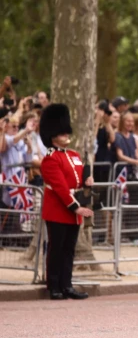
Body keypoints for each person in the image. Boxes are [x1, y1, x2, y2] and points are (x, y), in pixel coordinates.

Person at [39, 104, 93, 300]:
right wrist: (76, 207)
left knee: (69, 250)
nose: (65, 136)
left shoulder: (74, 155)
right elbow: (60, 187)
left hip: (74, 209)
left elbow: (78, 180)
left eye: (65, 133)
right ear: (52, 136)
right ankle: (54, 286)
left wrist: (88, 181)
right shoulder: (50, 159)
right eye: (61, 134)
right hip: (59, 210)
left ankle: (67, 285)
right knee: (57, 249)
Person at [114, 112, 138, 180]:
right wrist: (137, 162)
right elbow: (120, 156)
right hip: (121, 172)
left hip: (131, 172)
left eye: (132, 121)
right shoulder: (118, 136)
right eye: (128, 121)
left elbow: (136, 153)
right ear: (122, 122)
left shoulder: (132, 137)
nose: (130, 123)